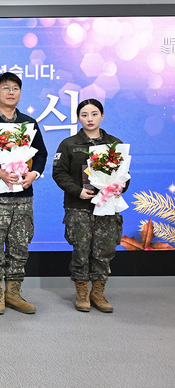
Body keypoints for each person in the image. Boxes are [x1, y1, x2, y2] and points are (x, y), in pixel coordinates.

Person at [0, 72, 47, 315]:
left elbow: (41, 154)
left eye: (15, 88)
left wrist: (34, 174)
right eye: (5, 88)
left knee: (20, 244)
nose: (11, 92)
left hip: (23, 196)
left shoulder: (29, 123)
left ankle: (13, 293)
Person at [52, 99, 127, 313]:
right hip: (79, 206)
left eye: (94, 114)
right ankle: (82, 292)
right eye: (84, 115)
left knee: (105, 249)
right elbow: (59, 173)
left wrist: (119, 187)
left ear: (102, 116)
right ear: (78, 118)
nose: (90, 119)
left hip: (107, 206)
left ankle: (98, 292)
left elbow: (125, 174)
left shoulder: (115, 143)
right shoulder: (68, 144)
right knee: (81, 249)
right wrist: (78, 191)